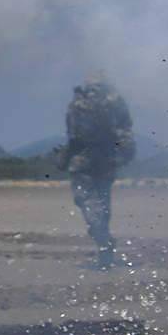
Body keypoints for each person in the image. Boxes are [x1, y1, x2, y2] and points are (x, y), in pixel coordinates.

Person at [64, 75, 133, 268]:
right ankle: (104, 245)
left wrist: (65, 158)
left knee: (90, 205)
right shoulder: (114, 103)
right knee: (101, 207)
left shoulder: (79, 104)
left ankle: (104, 243)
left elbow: (73, 136)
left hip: (85, 164)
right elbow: (125, 132)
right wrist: (123, 156)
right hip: (105, 163)